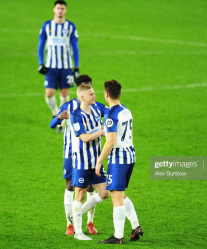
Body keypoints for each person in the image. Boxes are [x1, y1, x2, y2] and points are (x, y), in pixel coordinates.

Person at [50, 75, 109, 236]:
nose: (90, 90)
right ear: (79, 91)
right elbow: (51, 124)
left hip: (92, 154)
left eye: (90, 86)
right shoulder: (68, 107)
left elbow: (109, 112)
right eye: (86, 87)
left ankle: (90, 222)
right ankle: (70, 224)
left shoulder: (95, 106)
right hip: (71, 153)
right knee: (70, 186)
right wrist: (57, 118)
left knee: (91, 188)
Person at [96, 80, 144, 244]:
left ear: (106, 94)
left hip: (118, 158)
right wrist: (107, 133)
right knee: (121, 193)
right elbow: (127, 133)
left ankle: (118, 236)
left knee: (116, 197)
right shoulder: (126, 111)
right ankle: (136, 226)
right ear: (120, 94)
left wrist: (99, 161)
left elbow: (110, 142)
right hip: (130, 155)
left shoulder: (110, 114)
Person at [69, 84, 110, 241]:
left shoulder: (96, 110)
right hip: (81, 162)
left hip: (96, 160)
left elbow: (109, 115)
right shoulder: (76, 115)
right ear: (82, 97)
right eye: (91, 94)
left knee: (104, 193)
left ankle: (76, 213)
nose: (95, 96)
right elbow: (84, 138)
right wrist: (102, 132)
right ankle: (78, 233)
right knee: (80, 194)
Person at [38, 0, 80, 132]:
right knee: (49, 93)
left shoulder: (71, 27)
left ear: (65, 10)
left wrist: (76, 67)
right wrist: (40, 63)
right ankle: (56, 113)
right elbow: (41, 45)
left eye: (62, 8)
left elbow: (75, 47)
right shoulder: (47, 25)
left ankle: (61, 123)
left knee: (64, 93)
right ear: (54, 10)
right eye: (58, 8)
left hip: (66, 66)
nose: (60, 10)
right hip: (51, 67)